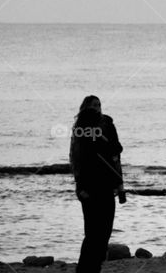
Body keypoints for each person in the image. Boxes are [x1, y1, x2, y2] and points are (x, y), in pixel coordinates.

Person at [69, 95, 124, 273]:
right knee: (92, 233)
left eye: (99, 105)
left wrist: (119, 184)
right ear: (85, 108)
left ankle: (95, 267)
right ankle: (84, 269)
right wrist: (80, 187)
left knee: (105, 232)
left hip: (107, 184)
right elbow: (76, 158)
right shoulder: (81, 129)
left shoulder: (107, 124)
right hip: (90, 186)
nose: (97, 108)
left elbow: (117, 154)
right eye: (93, 105)